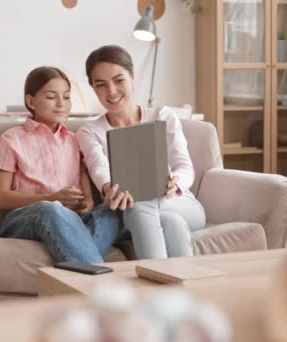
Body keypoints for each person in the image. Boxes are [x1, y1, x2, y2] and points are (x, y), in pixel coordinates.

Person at [77, 45, 206, 259]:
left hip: (179, 202)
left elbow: (184, 165)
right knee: (165, 219)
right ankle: (181, 288)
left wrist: (177, 182)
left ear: (132, 77)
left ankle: (155, 286)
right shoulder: (89, 131)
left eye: (119, 80)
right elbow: (98, 166)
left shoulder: (163, 116)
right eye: (101, 85)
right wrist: (109, 187)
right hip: (131, 209)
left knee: (145, 206)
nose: (111, 91)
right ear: (93, 88)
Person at [0, 66, 120, 263]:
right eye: (51, 97)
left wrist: (84, 206)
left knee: (114, 211)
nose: (61, 104)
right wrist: (52, 198)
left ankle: (83, 261)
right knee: (51, 209)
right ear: (31, 101)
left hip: (72, 219)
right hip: (26, 219)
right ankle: (96, 278)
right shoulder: (11, 139)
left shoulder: (76, 140)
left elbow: (89, 201)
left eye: (66, 97)